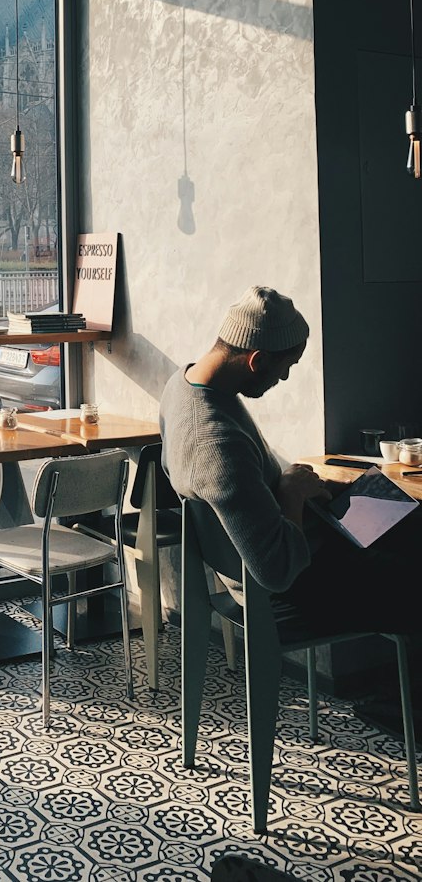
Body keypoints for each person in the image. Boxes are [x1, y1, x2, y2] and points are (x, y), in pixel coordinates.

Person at [160, 285, 420, 726]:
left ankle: (402, 699)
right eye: (286, 367)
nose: (284, 378)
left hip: (295, 554)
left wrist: (289, 486)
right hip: (288, 591)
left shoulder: (183, 385)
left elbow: (248, 495)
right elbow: (277, 571)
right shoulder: (216, 441)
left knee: (401, 515)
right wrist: (292, 494)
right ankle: (405, 709)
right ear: (256, 360)